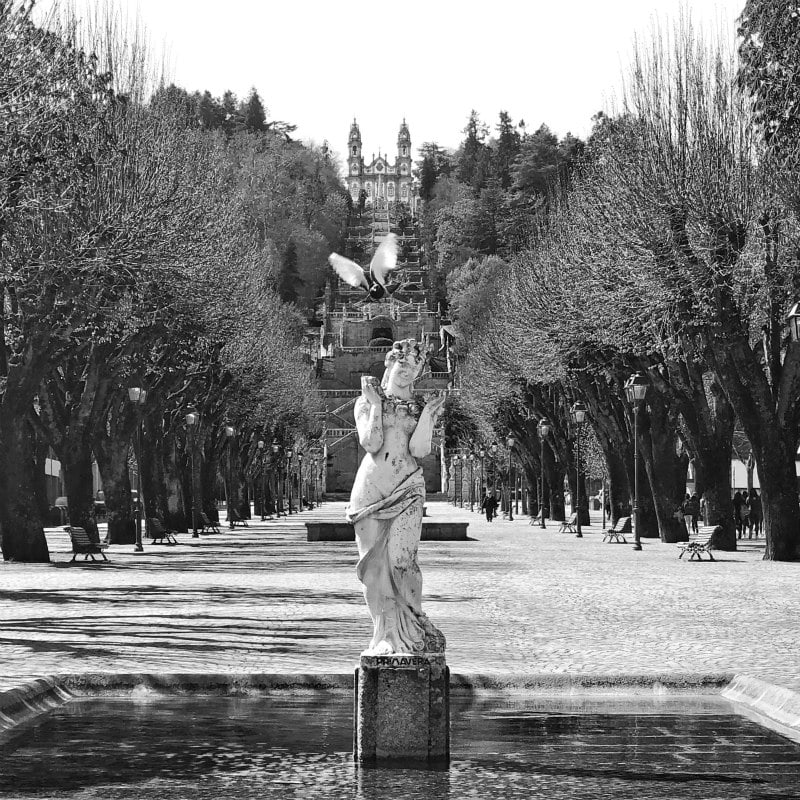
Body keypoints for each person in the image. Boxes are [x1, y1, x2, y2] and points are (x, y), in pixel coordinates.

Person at [346, 339, 447, 656]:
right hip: (371, 489)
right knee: (374, 570)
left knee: (404, 561)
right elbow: (371, 442)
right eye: (403, 367)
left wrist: (429, 414)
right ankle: (384, 637)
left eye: (414, 370)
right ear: (391, 365)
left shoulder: (417, 407)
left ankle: (413, 627)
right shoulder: (365, 401)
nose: (407, 375)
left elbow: (419, 450)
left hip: (408, 486)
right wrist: (376, 404)